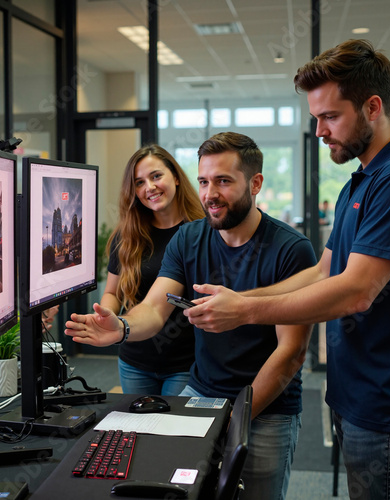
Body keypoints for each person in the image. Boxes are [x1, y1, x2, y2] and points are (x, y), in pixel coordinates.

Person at [185, 40, 390, 500]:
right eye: (316, 117)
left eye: (330, 116)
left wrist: (243, 313)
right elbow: (325, 272)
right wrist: (240, 298)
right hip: (354, 390)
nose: (319, 130)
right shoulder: (362, 178)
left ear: (372, 107)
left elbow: (356, 292)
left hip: (386, 399)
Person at [65, 132, 317, 500]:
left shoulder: (291, 250)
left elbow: (291, 352)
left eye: (224, 181)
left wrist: (235, 418)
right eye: (204, 181)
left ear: (256, 183)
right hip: (202, 396)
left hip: (266, 412)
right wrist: (121, 328)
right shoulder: (189, 239)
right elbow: (154, 307)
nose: (210, 193)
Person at [100, 144, 203, 395]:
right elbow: (113, 293)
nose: (150, 187)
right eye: (139, 182)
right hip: (134, 360)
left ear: (176, 177)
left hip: (186, 363)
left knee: (174, 432)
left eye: (156, 176)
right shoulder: (127, 237)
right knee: (138, 433)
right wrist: (104, 316)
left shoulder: (202, 231)